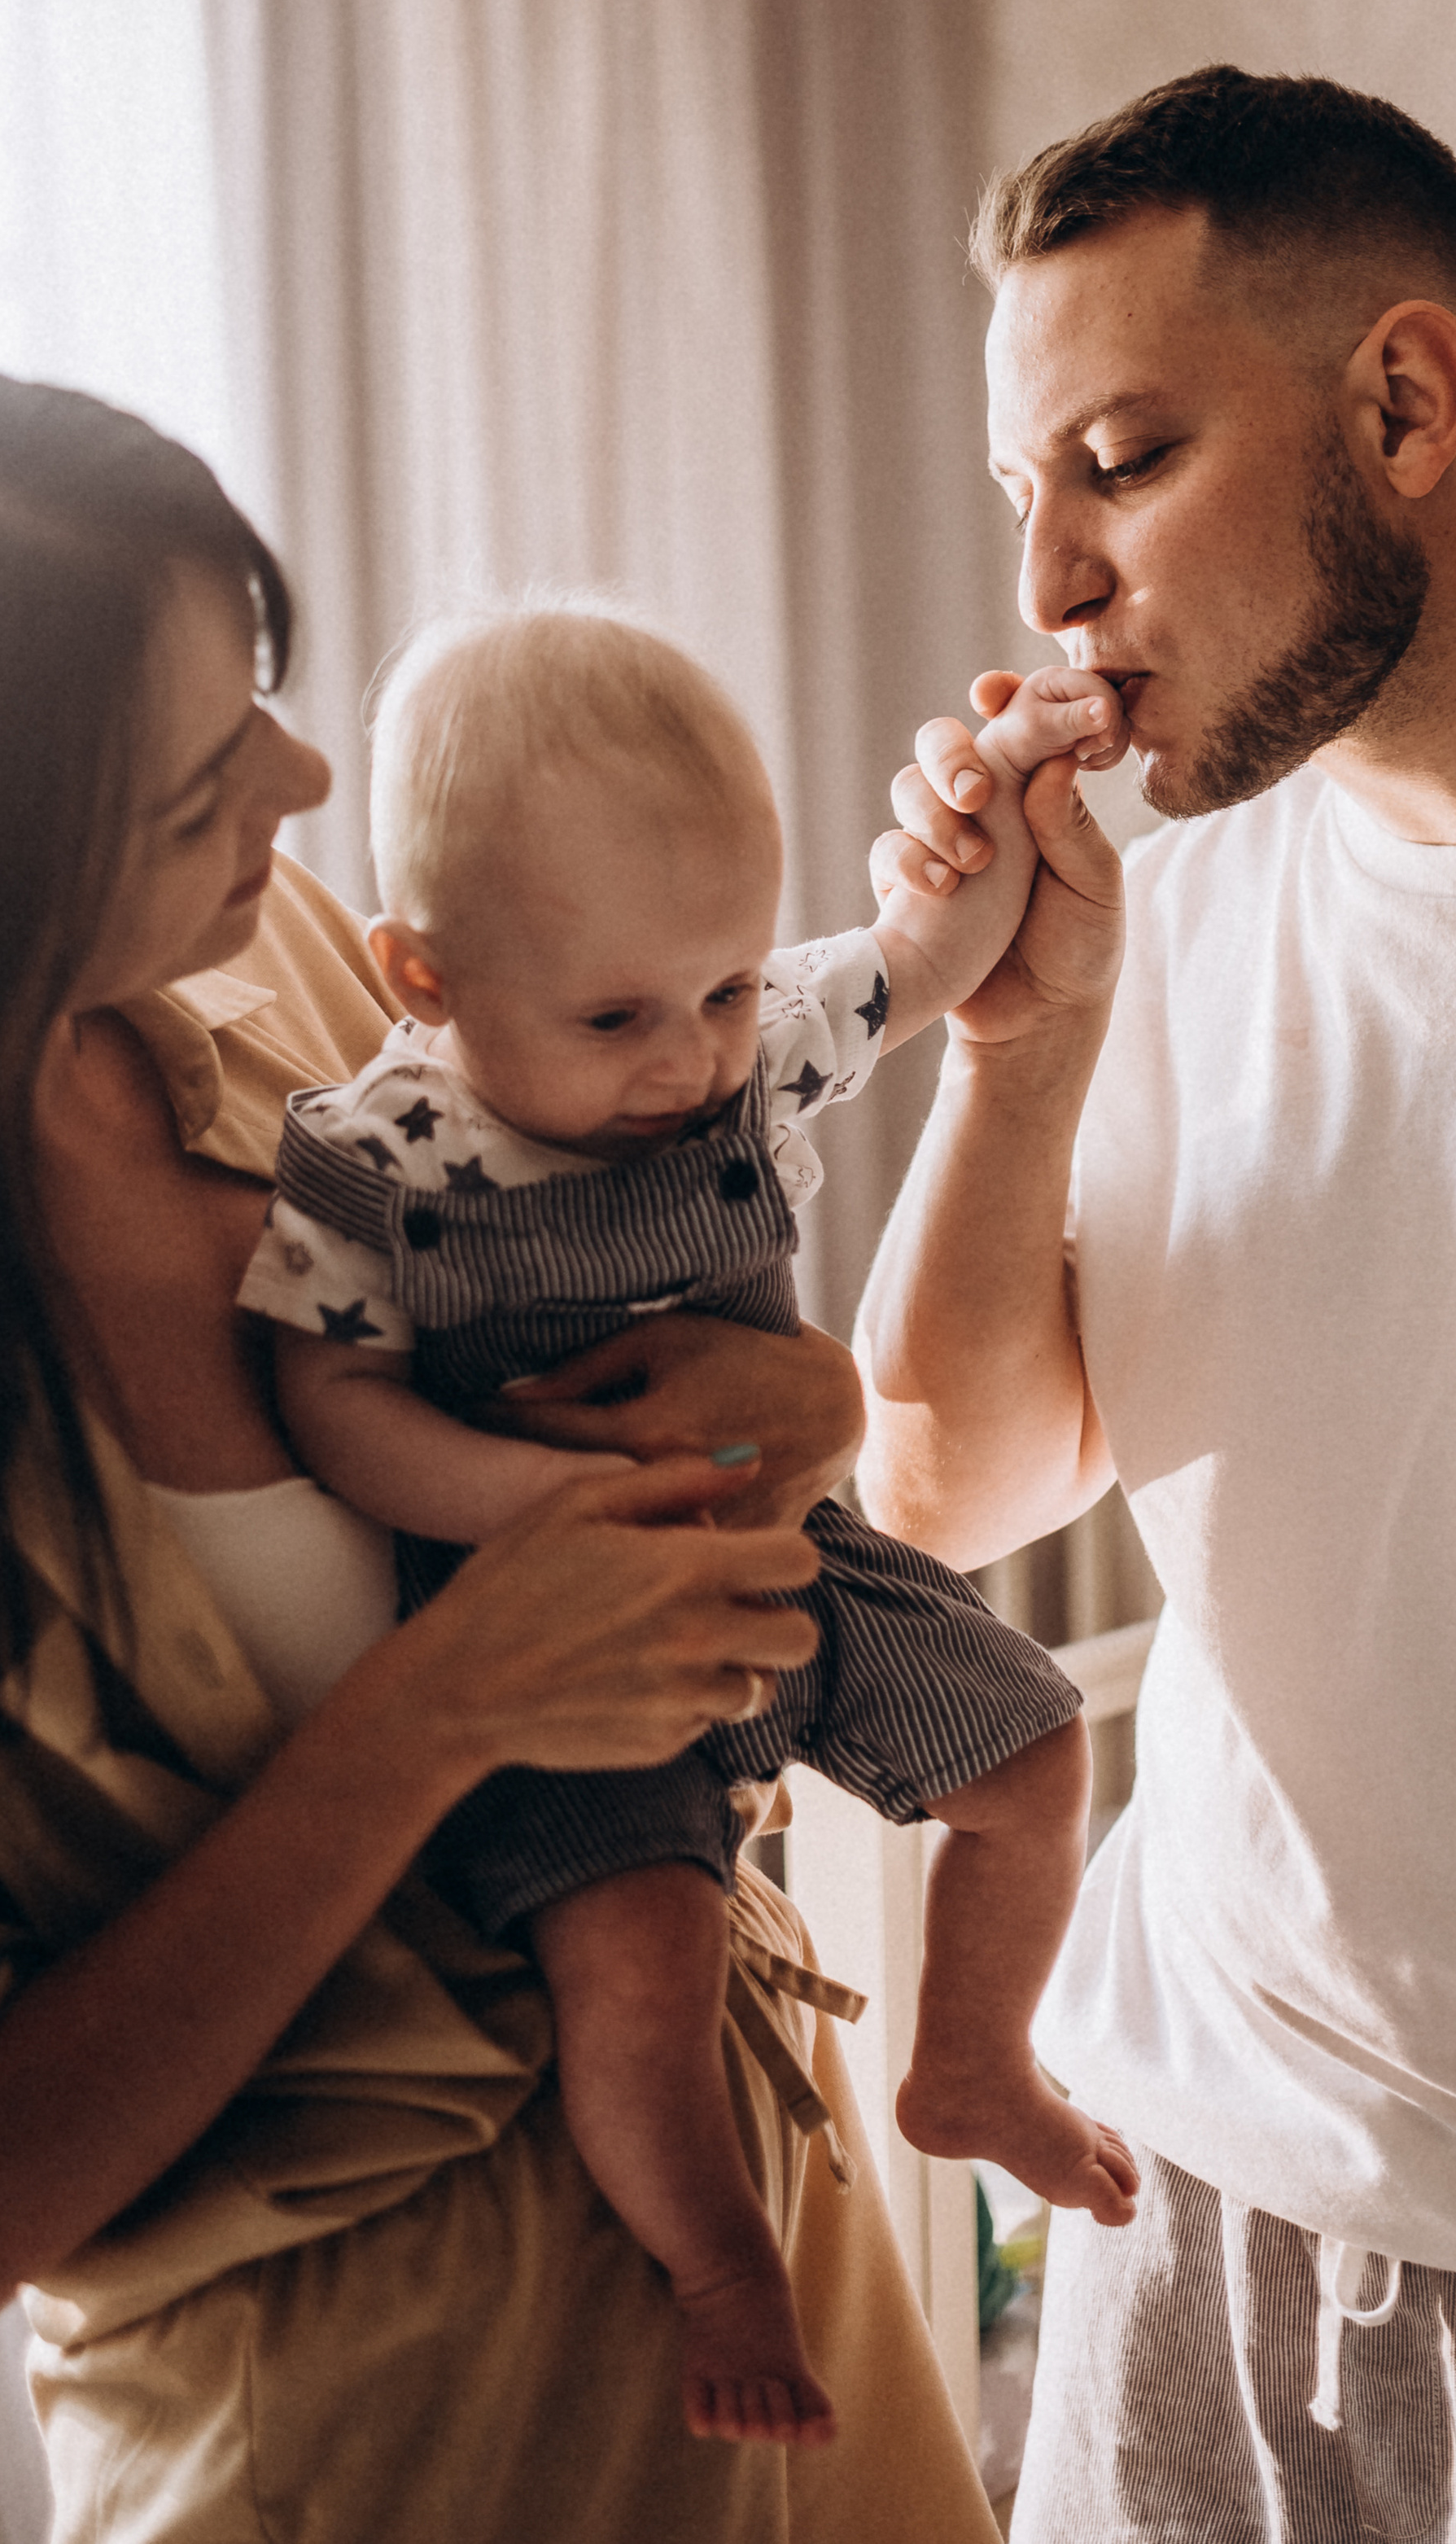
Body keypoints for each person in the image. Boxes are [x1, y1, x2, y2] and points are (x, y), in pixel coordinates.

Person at [0, 342, 1006, 2544]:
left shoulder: (272, 963)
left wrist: (798, 1397)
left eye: (260, 695)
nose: (301, 773)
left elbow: (636, 1272)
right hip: (370, 2431)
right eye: (202, 781)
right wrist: (439, 1717)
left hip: (769, 2259)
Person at [857, 67, 1456, 2541]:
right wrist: (1017, 1046)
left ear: (1402, 400)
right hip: (1181, 2221)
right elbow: (943, 1484)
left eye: (1120, 464)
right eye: (1021, 496)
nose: (1045, 586)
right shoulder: (1185, 905)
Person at [235, 601, 1138, 2445]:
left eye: (723, 987)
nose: (688, 1058)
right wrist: (532, 1493)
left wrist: (1013, 773)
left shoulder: (746, 1043)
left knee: (1035, 1753)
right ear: (424, 977)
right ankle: (723, 2261)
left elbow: (921, 955)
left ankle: (967, 2062)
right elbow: (325, 1399)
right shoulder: (372, 1160)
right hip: (561, 1633)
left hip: (791, 1553)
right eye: (617, 1018)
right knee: (636, 1962)